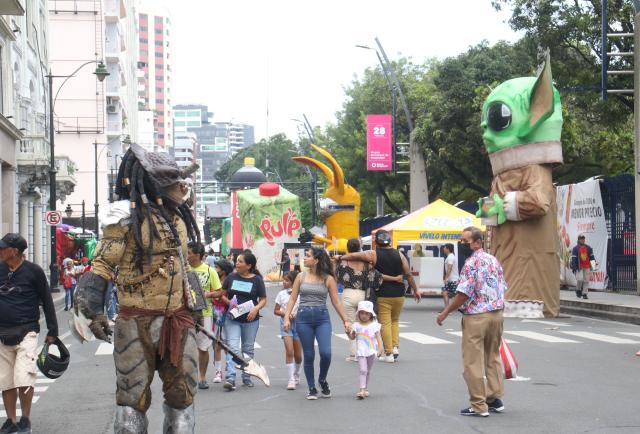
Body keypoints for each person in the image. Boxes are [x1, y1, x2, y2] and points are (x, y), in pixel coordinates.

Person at [72, 143, 201, 432]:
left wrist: (198, 310)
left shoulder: (179, 220)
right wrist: (91, 312)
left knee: (183, 400)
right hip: (134, 323)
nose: (181, 187)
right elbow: (102, 265)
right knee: (132, 400)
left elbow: (184, 267)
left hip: (178, 321)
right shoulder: (124, 220)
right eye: (171, 181)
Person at [436, 226, 507, 417]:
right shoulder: (493, 260)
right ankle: (494, 399)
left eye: (465, 241)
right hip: (496, 313)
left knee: (472, 362)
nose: (463, 244)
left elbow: (462, 294)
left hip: (476, 316)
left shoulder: (470, 263)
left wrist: (445, 312)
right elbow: (503, 286)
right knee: (492, 356)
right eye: (461, 241)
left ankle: (478, 405)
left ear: (477, 242)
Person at [0, 233, 58, 434]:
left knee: (24, 376)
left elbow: (47, 300)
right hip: (1, 333)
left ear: (14, 251)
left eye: (3, 248)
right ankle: (11, 420)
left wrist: (53, 331)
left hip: (27, 331)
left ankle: (25, 419)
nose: (0, 251)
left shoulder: (34, 271)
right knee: (5, 380)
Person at [338, 230, 421, 362]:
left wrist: (341, 257)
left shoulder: (373, 254)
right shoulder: (400, 254)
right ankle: (395, 347)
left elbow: (357, 255)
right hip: (399, 293)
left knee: (386, 323)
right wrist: (416, 290)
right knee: (395, 321)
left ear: (376, 242)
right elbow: (408, 274)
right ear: (390, 241)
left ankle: (388, 354)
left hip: (383, 293)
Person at [283, 247, 351, 400]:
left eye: (307, 256)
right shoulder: (301, 276)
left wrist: (346, 320)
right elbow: (293, 299)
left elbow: (336, 302)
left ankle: (322, 380)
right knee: (308, 354)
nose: (304, 258)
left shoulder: (328, 278)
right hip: (303, 318)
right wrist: (287, 317)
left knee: (326, 353)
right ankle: (312, 387)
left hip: (322, 318)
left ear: (317, 260)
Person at [336, 238, 398, 362]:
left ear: (348, 249)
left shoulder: (342, 263)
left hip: (348, 294)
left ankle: (354, 354)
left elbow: (337, 277)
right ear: (360, 248)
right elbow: (379, 278)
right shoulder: (368, 264)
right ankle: (367, 350)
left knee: (350, 323)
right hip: (364, 295)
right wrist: (395, 279)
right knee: (365, 324)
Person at [221, 252, 267, 390]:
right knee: (233, 347)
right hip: (232, 318)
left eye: (240, 261)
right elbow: (222, 294)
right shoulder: (231, 277)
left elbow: (263, 299)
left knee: (248, 348)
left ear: (249, 265)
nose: (237, 263)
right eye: (237, 261)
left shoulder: (257, 280)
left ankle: (246, 376)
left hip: (250, 319)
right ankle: (231, 376)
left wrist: (255, 309)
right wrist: (229, 303)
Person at [187, 241, 223, 390]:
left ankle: (202, 377)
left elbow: (220, 292)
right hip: (184, 314)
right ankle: (188, 376)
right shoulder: (183, 270)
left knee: (203, 348)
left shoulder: (210, 271)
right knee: (185, 347)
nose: (186, 255)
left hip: (205, 313)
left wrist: (207, 294)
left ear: (197, 255)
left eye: (189, 253)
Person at [348, 301, 383, 399]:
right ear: (358, 313)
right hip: (361, 352)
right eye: (362, 313)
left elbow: (379, 338)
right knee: (363, 370)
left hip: (371, 352)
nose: (364, 315)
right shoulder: (356, 325)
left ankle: (365, 388)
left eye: (367, 313)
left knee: (367, 371)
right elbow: (352, 337)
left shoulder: (374, 325)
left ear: (371, 314)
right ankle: (362, 389)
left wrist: (380, 349)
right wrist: (348, 332)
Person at [274, 270, 302, 390]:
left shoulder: (301, 294)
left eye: (287, 280)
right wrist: (285, 313)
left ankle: (296, 374)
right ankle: (291, 379)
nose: (284, 282)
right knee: (289, 351)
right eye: (283, 280)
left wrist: (297, 315)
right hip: (285, 324)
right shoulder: (281, 294)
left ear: (294, 282)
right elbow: (276, 310)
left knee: (298, 355)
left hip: (299, 324)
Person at [212, 259, 234, 383]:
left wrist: (220, 296)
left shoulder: (230, 281)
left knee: (227, 344)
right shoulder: (215, 279)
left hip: (228, 314)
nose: (215, 269)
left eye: (217, 267)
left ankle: (229, 367)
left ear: (224, 270)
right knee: (217, 344)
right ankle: (218, 371)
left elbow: (231, 299)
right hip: (215, 313)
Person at [571, 235, 595, 299]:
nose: (582, 240)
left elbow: (592, 257)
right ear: (578, 240)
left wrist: (593, 266)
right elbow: (574, 259)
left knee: (586, 280)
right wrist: (574, 267)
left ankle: (584, 293)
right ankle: (578, 290)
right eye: (581, 239)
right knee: (580, 279)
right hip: (579, 267)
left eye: (583, 239)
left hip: (587, 266)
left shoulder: (588, 248)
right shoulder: (575, 248)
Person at [441, 243, 459, 308]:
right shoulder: (450, 256)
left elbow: (449, 268)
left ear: (448, 249)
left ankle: (449, 308)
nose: (443, 249)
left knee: (454, 294)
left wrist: (446, 278)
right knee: (445, 292)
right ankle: (447, 308)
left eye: (445, 247)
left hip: (453, 280)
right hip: (452, 279)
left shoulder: (450, 257)